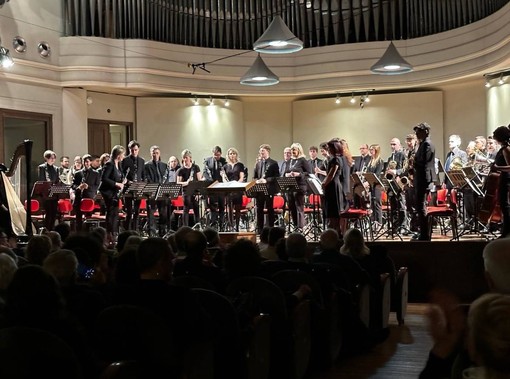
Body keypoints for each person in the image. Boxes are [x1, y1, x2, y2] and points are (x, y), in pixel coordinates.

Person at [412, 122, 437, 241]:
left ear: (426, 131)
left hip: (424, 179)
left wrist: (414, 162)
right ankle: (423, 233)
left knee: (421, 207)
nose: (416, 134)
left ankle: (424, 235)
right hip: (421, 178)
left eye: (419, 131)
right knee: (420, 207)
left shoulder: (427, 144)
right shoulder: (423, 143)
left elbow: (424, 162)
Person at [98, 145, 126, 245]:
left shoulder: (119, 164)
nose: (124, 156)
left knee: (115, 213)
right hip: (108, 192)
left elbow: (118, 176)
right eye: (123, 154)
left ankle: (113, 234)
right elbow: (104, 179)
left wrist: (123, 181)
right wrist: (117, 184)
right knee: (111, 213)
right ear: (118, 155)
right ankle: (110, 234)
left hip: (114, 192)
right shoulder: (109, 164)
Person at [284, 142, 312, 230]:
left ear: (299, 150)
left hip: (300, 186)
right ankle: (295, 225)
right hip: (290, 186)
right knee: (291, 206)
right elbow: (285, 172)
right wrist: (287, 175)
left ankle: (300, 226)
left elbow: (309, 173)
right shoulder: (290, 161)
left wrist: (298, 174)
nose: (292, 151)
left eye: (294, 149)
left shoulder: (303, 160)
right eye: (291, 149)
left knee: (298, 206)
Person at [253, 144, 280, 234]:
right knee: (259, 209)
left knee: (270, 209)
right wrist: (256, 181)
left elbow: (276, 177)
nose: (261, 153)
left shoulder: (273, 163)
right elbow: (255, 176)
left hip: (269, 189)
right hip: (259, 189)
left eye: (263, 151)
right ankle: (260, 229)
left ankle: (270, 228)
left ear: (268, 151)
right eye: (260, 151)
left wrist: (266, 180)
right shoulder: (258, 163)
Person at [72, 154, 101, 232]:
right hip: (79, 198)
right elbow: (73, 185)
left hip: (89, 198)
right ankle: (79, 234)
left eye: (87, 162)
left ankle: (88, 234)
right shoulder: (78, 173)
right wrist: (79, 187)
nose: (86, 164)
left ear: (91, 162)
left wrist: (88, 187)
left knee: (88, 219)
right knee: (78, 219)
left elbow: (97, 186)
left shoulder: (96, 173)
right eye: (84, 162)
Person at [121, 140, 146, 232]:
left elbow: (143, 174)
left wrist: (143, 183)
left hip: (138, 188)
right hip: (128, 188)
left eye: (135, 150)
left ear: (138, 150)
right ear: (129, 150)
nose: (134, 152)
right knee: (129, 211)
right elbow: (122, 174)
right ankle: (127, 230)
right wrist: (128, 181)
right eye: (132, 150)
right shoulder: (125, 160)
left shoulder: (142, 161)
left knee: (136, 211)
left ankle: (135, 230)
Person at [321, 139, 345, 234]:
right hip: (331, 185)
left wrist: (323, 183)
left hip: (333, 185)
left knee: (334, 211)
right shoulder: (332, 158)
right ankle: (332, 230)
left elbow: (331, 174)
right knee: (330, 210)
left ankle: (335, 232)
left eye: (329, 148)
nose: (328, 149)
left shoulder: (336, 159)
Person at [144, 145, 168, 236]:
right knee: (151, 214)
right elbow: (146, 177)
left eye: (157, 153)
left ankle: (163, 232)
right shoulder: (147, 165)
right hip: (152, 191)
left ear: (159, 153)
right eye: (153, 153)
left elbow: (166, 178)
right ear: (151, 153)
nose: (155, 155)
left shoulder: (164, 165)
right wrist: (153, 186)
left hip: (162, 192)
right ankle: (152, 233)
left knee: (163, 213)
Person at [491, 125, 510, 237]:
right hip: (502, 180)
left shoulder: (506, 149)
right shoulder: (503, 148)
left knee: (505, 206)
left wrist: (497, 168)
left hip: (506, 180)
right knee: (503, 206)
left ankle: (506, 231)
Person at [202, 146, 227, 230]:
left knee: (222, 207)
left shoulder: (223, 161)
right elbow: (205, 173)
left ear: (221, 154)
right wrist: (211, 182)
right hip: (212, 186)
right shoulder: (208, 161)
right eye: (215, 155)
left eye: (218, 155)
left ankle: (222, 225)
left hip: (221, 187)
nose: (216, 157)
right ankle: (213, 225)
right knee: (213, 207)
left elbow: (225, 172)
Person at [176, 149, 203, 227]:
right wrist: (186, 183)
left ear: (190, 158)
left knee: (196, 208)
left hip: (195, 192)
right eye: (184, 157)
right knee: (186, 209)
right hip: (186, 191)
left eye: (186, 157)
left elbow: (199, 180)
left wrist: (200, 192)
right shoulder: (181, 170)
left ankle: (198, 226)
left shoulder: (195, 167)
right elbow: (178, 183)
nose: (185, 159)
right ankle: (186, 227)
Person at [223, 147, 245, 231]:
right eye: (230, 153)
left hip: (237, 188)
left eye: (234, 153)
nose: (232, 155)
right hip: (229, 189)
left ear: (236, 155)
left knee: (238, 208)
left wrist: (236, 184)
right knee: (230, 208)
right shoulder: (225, 166)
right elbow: (224, 178)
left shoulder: (240, 165)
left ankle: (237, 226)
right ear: (228, 155)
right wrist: (227, 184)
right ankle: (231, 225)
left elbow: (242, 177)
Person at [37, 150, 60, 231]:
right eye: (51, 158)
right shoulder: (42, 167)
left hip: (54, 193)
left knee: (54, 213)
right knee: (48, 213)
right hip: (45, 194)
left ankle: (52, 230)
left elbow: (57, 180)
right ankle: (46, 230)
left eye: (54, 158)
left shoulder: (56, 169)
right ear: (46, 158)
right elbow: (41, 180)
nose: (53, 160)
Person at [366, 144, 385, 228]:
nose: (370, 151)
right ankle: (373, 222)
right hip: (371, 185)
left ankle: (379, 223)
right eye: (370, 149)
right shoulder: (370, 161)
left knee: (377, 204)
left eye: (372, 150)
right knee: (372, 204)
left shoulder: (379, 161)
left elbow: (377, 175)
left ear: (376, 151)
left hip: (376, 186)